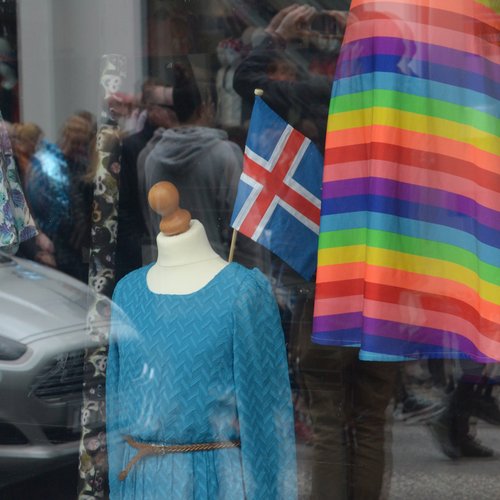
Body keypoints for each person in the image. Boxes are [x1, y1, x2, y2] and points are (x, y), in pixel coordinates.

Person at [235, 6, 398, 499]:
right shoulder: (398, 105)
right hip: (385, 280)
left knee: (328, 418)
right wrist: (366, 34)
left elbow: (245, 80)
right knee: (370, 420)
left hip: (322, 281)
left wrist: (276, 36)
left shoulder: (313, 96)